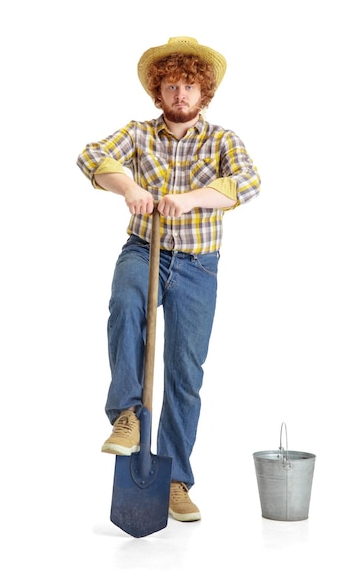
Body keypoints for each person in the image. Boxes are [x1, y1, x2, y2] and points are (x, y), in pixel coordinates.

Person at [77, 36, 261, 522]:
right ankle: (127, 415)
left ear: (204, 94)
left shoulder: (222, 140)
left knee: (185, 373)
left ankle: (176, 478)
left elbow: (247, 182)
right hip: (145, 250)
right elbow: (92, 156)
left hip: (199, 264)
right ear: (159, 93)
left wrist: (193, 198)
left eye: (190, 86)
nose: (181, 94)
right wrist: (129, 186)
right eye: (172, 86)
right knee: (127, 303)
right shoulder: (139, 134)